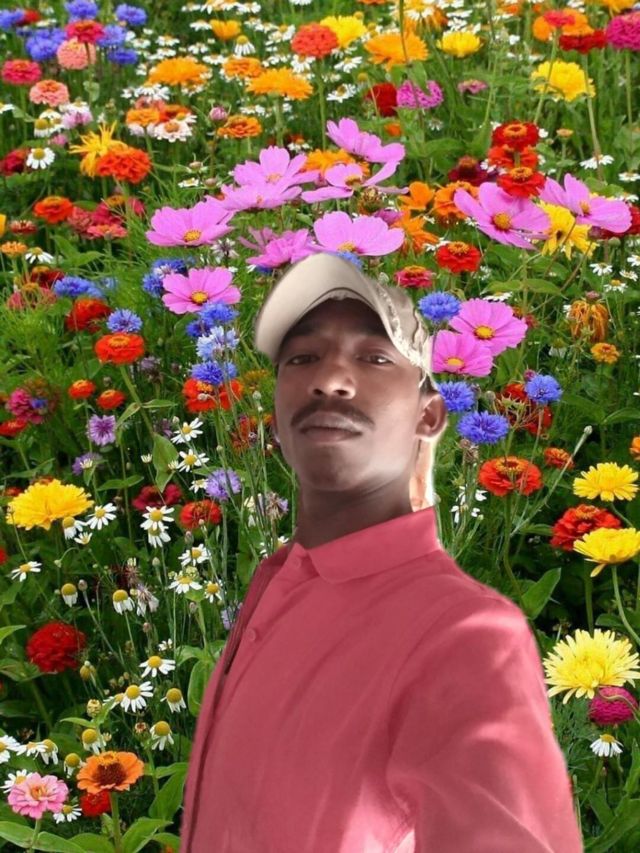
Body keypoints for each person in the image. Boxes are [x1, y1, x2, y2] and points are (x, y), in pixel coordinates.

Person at [180, 253, 583, 852]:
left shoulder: (465, 634)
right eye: (302, 358)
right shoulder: (279, 581)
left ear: (430, 413)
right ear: (275, 415)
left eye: (373, 358)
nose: (329, 380)